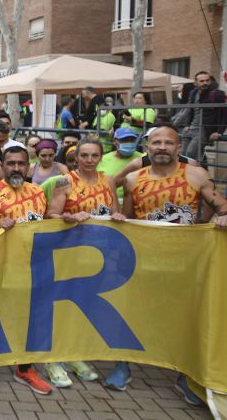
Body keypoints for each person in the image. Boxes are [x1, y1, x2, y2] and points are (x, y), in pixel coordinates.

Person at [120, 125, 227, 403]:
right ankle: (123, 364)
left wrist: (222, 217)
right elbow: (126, 220)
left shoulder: (197, 175)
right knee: (132, 312)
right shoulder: (133, 179)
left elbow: (223, 206)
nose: (162, 147)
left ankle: (184, 374)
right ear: (148, 147)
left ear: (179, 147)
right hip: (143, 260)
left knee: (184, 318)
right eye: (157, 142)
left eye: (169, 143)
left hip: (185, 262)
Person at [0, 145, 52, 397]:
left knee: (28, 320)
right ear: (2, 165)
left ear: (29, 166)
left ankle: (24, 368)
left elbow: (47, 226)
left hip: (30, 267)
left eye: (21, 163)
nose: (16, 168)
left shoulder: (38, 192)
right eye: (11, 163)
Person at [43, 137, 125, 389]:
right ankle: (52, 360)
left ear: (101, 157)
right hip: (67, 252)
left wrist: (118, 216)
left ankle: (74, 354)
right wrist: (67, 217)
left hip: (96, 255)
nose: (89, 160)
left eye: (94, 156)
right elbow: (50, 214)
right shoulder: (64, 182)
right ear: (76, 157)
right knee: (60, 306)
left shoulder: (108, 180)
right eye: (84, 156)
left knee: (83, 306)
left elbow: (114, 209)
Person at [178, 71, 227, 162]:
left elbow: (224, 114)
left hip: (203, 129)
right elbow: (191, 110)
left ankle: (194, 175)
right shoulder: (193, 93)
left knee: (191, 154)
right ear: (196, 83)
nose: (205, 83)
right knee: (183, 154)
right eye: (202, 81)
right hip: (190, 128)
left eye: (207, 80)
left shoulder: (217, 94)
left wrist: (219, 131)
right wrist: (187, 124)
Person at [97, 127, 144, 199]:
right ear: (115, 142)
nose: (129, 143)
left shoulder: (143, 158)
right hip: (110, 200)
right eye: (124, 140)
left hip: (137, 200)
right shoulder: (102, 160)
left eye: (132, 140)